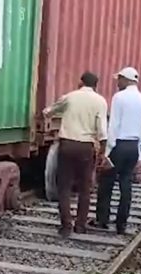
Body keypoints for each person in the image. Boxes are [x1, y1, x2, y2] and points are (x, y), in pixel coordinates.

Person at [43, 71, 108, 237]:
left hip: (67, 145)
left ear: (81, 82)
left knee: (64, 186)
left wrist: (53, 115)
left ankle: (66, 226)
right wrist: (102, 150)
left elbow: (48, 111)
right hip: (86, 148)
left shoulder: (70, 97)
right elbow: (102, 130)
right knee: (85, 188)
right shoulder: (100, 101)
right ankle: (80, 225)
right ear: (96, 85)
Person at [94, 67, 141, 235]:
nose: (117, 83)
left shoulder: (119, 97)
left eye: (119, 79)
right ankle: (121, 224)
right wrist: (139, 151)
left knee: (106, 182)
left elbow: (114, 125)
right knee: (126, 183)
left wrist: (108, 151)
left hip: (119, 144)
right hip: (133, 146)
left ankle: (102, 220)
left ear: (125, 79)